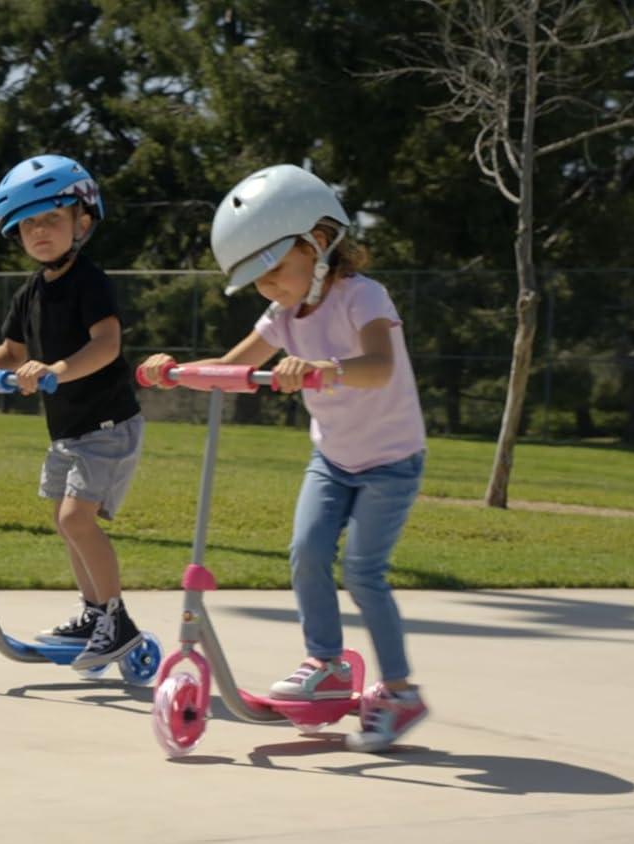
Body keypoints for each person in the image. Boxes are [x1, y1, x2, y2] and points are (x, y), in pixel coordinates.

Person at [138, 164, 428, 752]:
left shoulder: (362, 297)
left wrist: (327, 371)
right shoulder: (279, 317)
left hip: (392, 460)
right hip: (334, 459)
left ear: (318, 243)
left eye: (276, 271)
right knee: (305, 553)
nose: (271, 287)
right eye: (259, 280)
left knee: (363, 572)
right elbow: (232, 369)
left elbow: (380, 367)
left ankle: (400, 693)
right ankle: (329, 665)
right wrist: (174, 373)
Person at [0, 154, 146, 671]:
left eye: (51, 218)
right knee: (64, 520)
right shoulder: (30, 292)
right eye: (28, 224)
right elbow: (11, 352)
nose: (39, 232)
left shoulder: (90, 281)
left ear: (82, 220)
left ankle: (117, 619)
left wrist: (55, 368)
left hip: (106, 423)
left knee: (78, 519)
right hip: (68, 429)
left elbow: (106, 345)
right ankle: (94, 613)